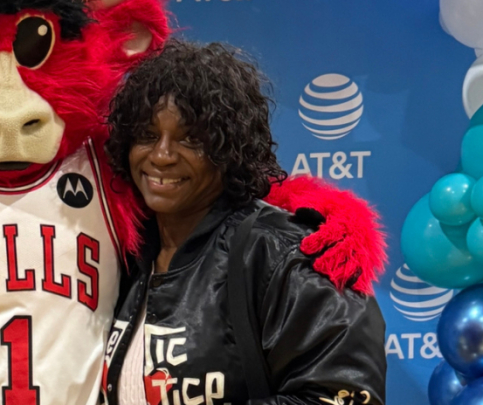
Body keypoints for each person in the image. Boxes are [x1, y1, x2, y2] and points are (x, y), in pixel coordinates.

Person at [100, 40, 387, 405]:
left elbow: (342, 397)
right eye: (147, 136)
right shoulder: (124, 257)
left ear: (228, 148)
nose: (162, 155)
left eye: (191, 139)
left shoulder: (286, 255)